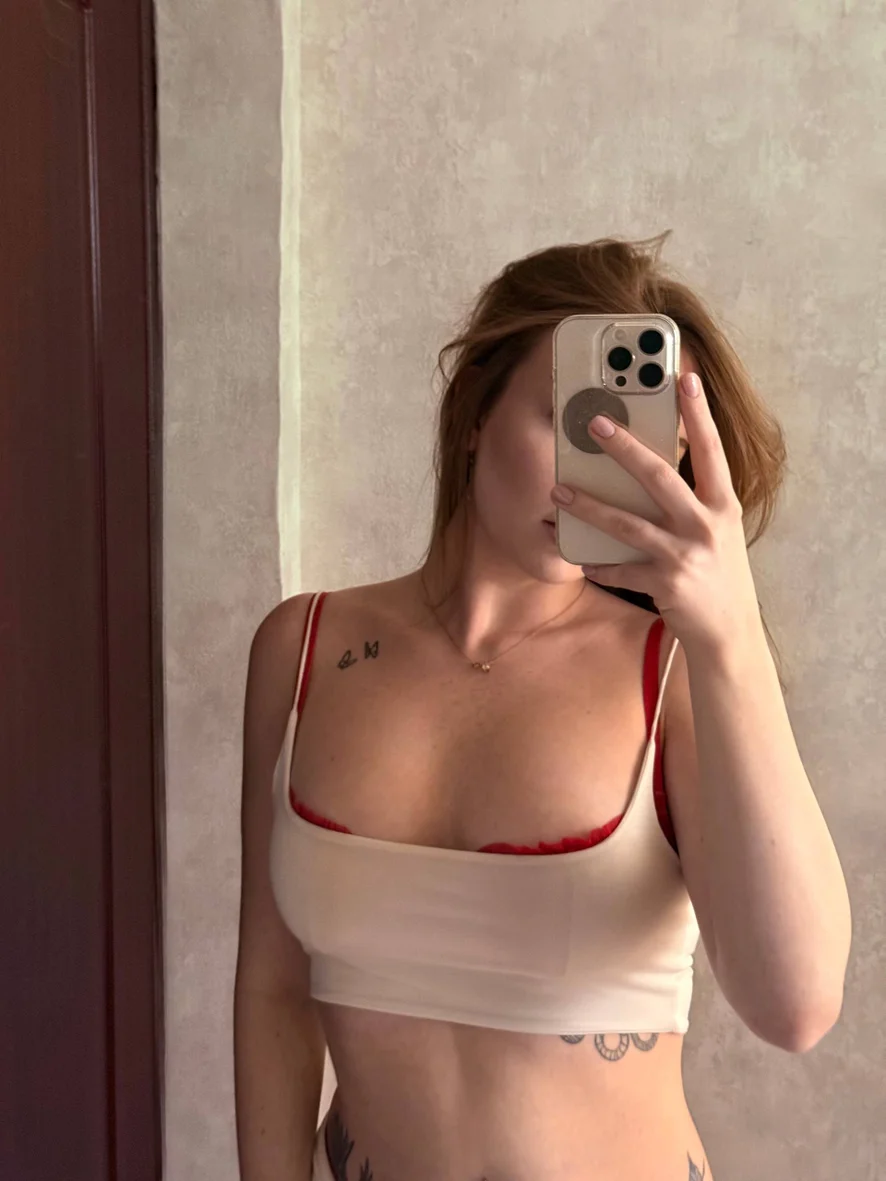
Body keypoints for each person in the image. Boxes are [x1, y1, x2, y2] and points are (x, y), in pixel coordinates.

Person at [234, 233, 850, 1181]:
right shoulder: (303, 648)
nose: (603, 464)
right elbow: (274, 987)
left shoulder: (676, 673)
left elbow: (796, 1006)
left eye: (642, 441)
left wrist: (731, 634)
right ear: (474, 410)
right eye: (577, 419)